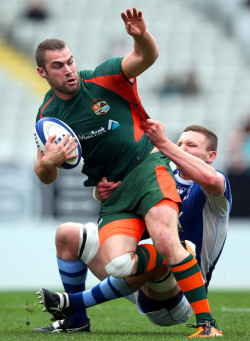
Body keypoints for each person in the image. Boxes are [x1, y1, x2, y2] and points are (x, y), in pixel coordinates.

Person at [33, 7, 221, 337]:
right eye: (58, 66)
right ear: (42, 73)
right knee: (118, 265)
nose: (69, 70)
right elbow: (45, 173)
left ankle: (207, 324)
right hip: (115, 193)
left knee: (165, 237)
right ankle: (79, 317)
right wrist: (48, 162)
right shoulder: (48, 116)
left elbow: (146, 57)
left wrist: (141, 36)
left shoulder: (105, 76)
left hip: (148, 169)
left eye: (70, 61)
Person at [34, 122, 231, 337]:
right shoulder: (158, 177)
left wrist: (163, 144)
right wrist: (102, 194)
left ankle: (75, 302)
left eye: (191, 145)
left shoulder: (214, 190)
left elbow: (212, 179)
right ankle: (76, 320)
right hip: (138, 277)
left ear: (211, 156)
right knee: (68, 234)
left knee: (171, 245)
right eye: (179, 143)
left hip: (180, 294)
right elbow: (125, 211)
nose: (182, 147)